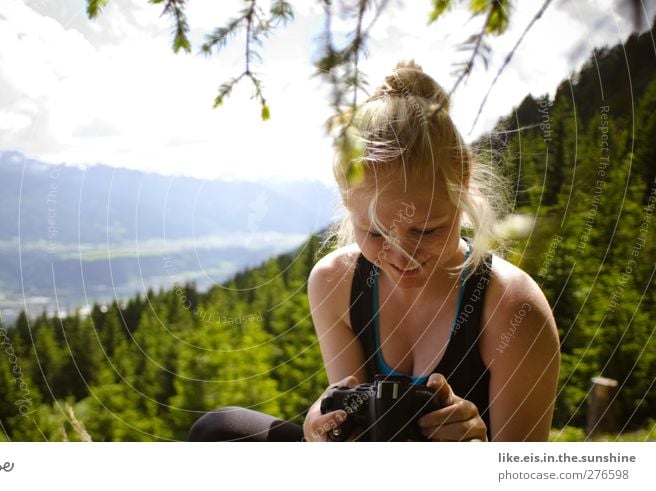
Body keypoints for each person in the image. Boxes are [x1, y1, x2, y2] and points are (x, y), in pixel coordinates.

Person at [188, 61, 560, 442]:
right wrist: (327, 424)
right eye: (376, 234)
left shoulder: (514, 308)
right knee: (220, 430)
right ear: (347, 204)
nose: (402, 257)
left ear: (462, 183)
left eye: (426, 230)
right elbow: (359, 434)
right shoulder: (335, 281)